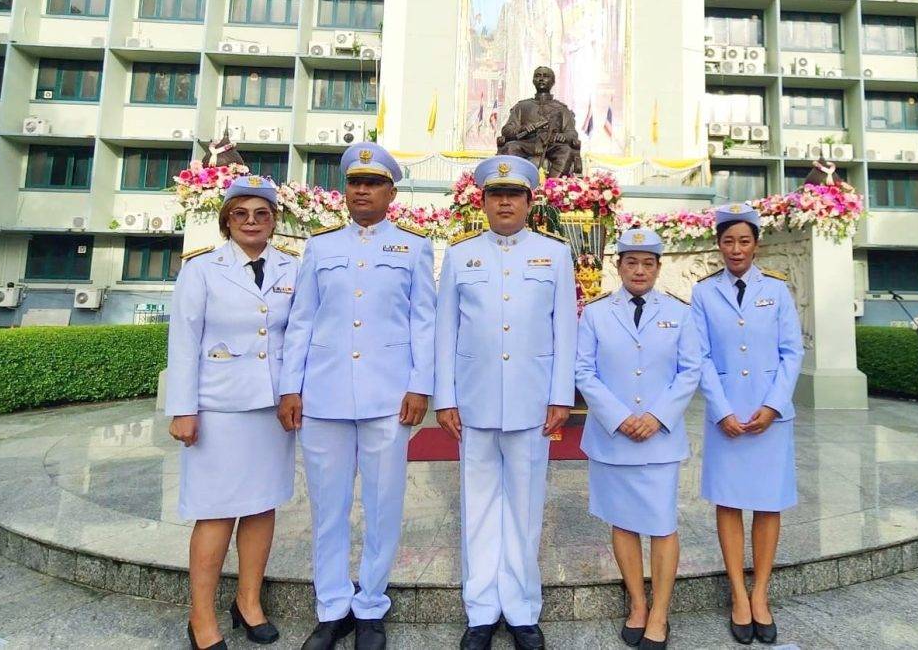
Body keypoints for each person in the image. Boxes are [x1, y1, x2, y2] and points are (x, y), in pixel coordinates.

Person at [278, 142, 436, 650]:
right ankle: (331, 608)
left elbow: (424, 322)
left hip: (388, 397)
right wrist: (290, 387)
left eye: (372, 184)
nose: (362, 191)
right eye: (354, 183)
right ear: (345, 190)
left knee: (383, 504)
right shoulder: (321, 247)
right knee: (328, 506)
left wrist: (420, 384)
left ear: (391, 192)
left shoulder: (413, 247)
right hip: (323, 395)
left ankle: (370, 605)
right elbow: (301, 320)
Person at [434, 155, 577, 650]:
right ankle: (480, 611)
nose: (505, 202)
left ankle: (520, 609)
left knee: (525, 507)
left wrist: (561, 395)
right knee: (478, 507)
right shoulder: (460, 255)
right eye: (496, 195)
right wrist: (445, 397)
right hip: (473, 404)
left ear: (530, 202)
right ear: (485, 201)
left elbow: (565, 329)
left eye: (514, 194)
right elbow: (445, 331)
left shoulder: (554, 255)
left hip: (532, 403)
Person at [165, 174, 299, 650]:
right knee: (216, 513)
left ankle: (248, 601)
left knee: (262, 506)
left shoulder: (291, 268)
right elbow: (183, 343)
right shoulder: (202, 271)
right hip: (218, 407)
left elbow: (297, 338)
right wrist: (183, 409)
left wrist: (294, 393)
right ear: (226, 221)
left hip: (271, 409)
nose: (251, 222)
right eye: (240, 213)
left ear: (273, 221)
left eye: (261, 214)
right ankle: (200, 616)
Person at [683, 203, 803, 646]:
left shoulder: (777, 290)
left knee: (768, 504)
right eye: (728, 241)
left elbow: (792, 352)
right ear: (718, 244)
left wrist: (773, 405)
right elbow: (700, 357)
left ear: (757, 244)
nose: (736, 249)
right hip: (728, 416)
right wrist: (721, 411)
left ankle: (761, 594)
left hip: (771, 418)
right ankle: (737, 593)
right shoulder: (703, 293)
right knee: (730, 503)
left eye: (744, 241)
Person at [575, 228, 700, 649]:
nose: (640, 270)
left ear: (658, 268)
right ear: (619, 266)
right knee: (623, 522)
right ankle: (637, 605)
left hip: (660, 438)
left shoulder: (680, 313)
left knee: (662, 524)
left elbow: (690, 370)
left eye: (648, 263)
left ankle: (660, 612)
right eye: (632, 262)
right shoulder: (595, 313)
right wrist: (619, 416)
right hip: (613, 437)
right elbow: (583, 371)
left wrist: (658, 416)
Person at [492, 0, 564, 108]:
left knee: (538, 92)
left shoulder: (550, 6)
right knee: (517, 94)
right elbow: (501, 33)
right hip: (517, 57)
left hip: (540, 56)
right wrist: (499, 58)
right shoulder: (510, 5)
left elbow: (556, 36)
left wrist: (555, 61)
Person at [497, 66, 582, 178]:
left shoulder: (561, 109)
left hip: (552, 145)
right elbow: (506, 130)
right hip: (527, 144)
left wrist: (563, 136)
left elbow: (572, 133)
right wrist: (523, 128)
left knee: (566, 151)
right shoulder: (522, 106)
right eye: (538, 76)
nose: (541, 79)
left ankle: (553, 187)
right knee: (510, 148)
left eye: (546, 76)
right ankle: (517, 186)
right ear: (533, 80)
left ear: (553, 81)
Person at [560, 0, 604, 128]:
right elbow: (562, 34)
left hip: (585, 52)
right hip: (570, 54)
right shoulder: (565, 10)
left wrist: (579, 44)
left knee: (583, 89)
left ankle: (583, 126)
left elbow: (597, 33)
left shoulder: (594, 7)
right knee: (570, 90)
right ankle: (570, 126)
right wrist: (565, 46)